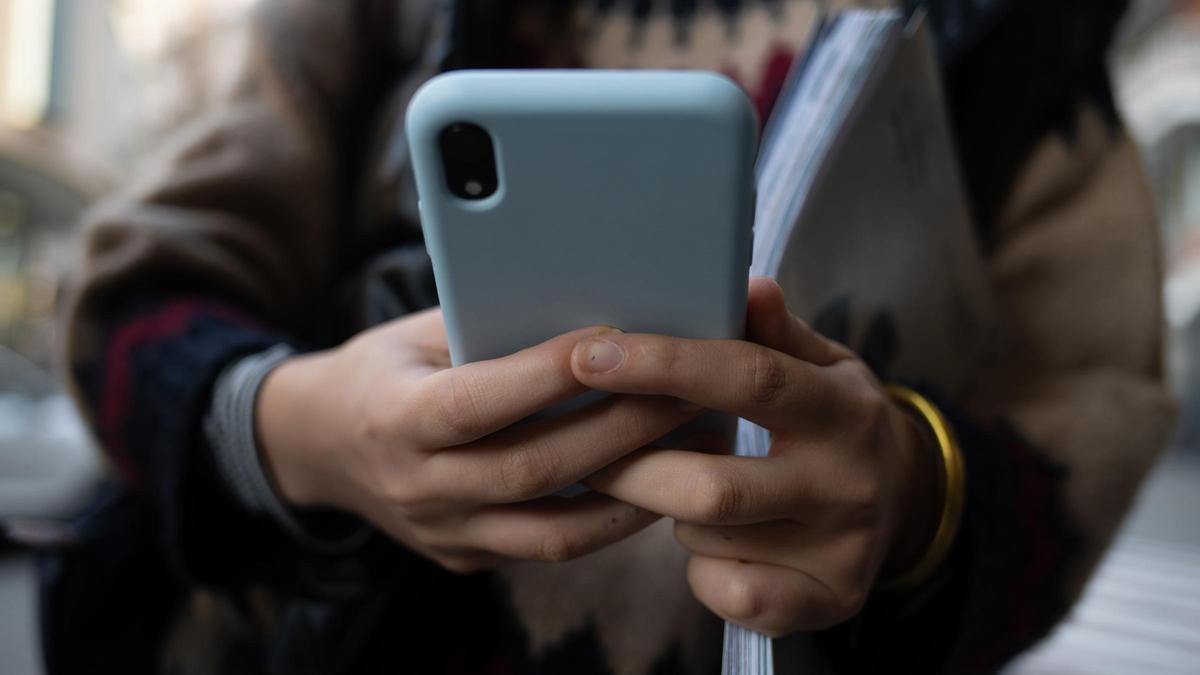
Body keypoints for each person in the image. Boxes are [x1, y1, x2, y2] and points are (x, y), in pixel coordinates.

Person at [53, 0, 1175, 673]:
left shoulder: (1030, 40)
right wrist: (299, 432)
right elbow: (130, 316)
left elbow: (1078, 441)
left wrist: (916, 495)